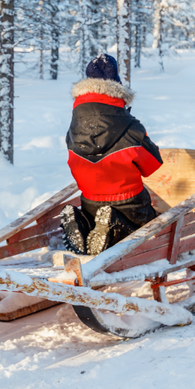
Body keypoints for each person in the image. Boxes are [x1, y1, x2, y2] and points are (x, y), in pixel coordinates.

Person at [60, 54, 163, 256]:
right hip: (131, 203)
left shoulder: (74, 128)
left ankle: (83, 224)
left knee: (95, 215)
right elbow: (153, 166)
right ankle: (112, 225)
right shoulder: (131, 126)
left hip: (90, 201)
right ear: (117, 87)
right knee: (147, 226)